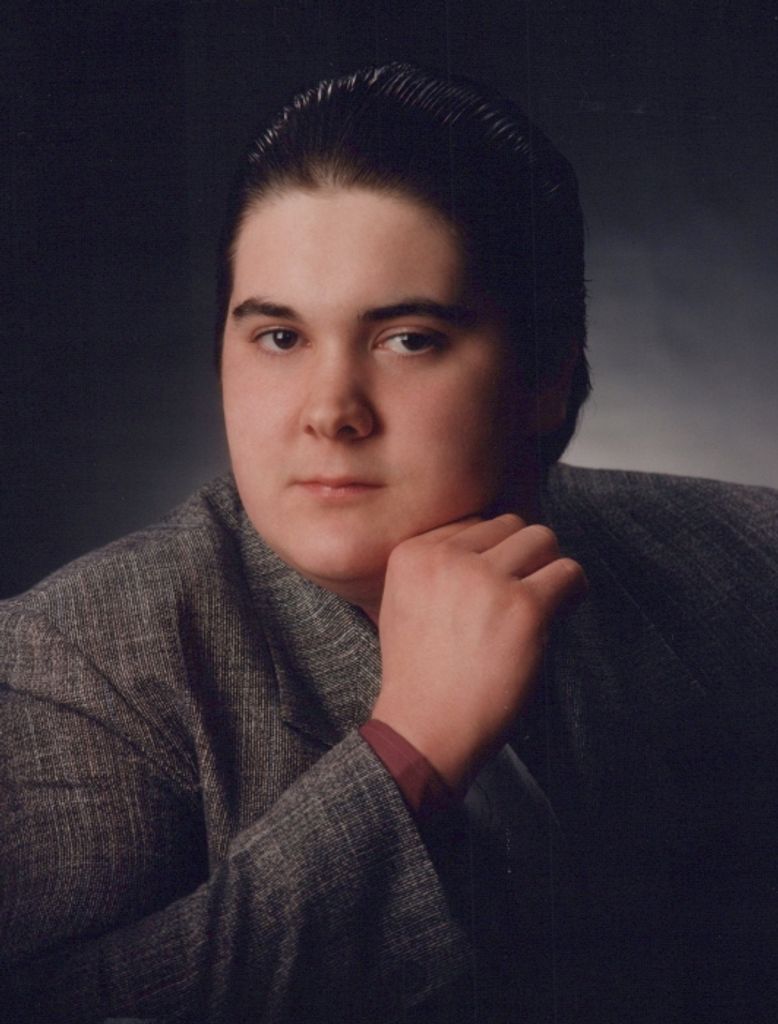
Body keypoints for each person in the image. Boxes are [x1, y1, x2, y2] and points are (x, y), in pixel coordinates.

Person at [1, 62, 775, 1023]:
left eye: (408, 338)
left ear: (546, 373)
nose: (330, 412)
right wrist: (410, 749)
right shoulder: (73, 659)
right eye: (280, 338)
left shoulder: (752, 561)